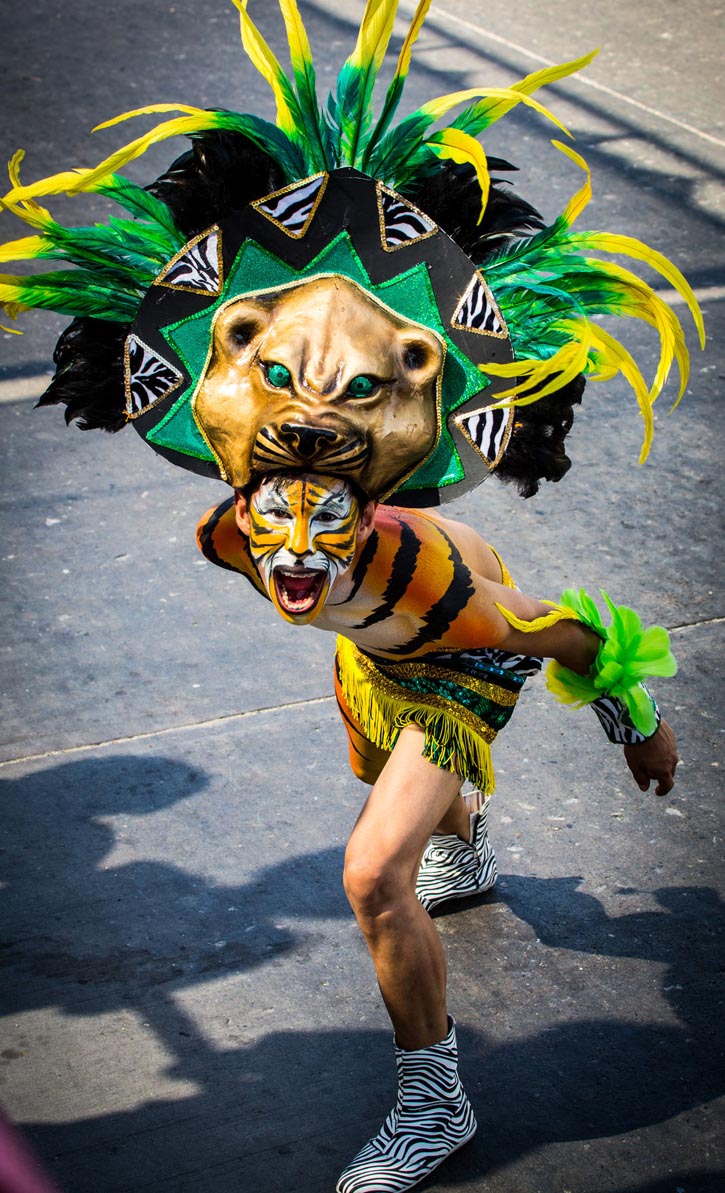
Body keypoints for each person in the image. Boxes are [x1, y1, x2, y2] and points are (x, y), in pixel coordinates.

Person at [197, 468, 678, 1192]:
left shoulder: (435, 587)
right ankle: (463, 847)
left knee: (373, 872)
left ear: (364, 518)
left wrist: (636, 722)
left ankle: (433, 1107)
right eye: (274, 520)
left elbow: (569, 634)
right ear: (242, 508)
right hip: (376, 656)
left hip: (464, 661)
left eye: (325, 519)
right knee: (384, 780)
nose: (295, 552)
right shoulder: (224, 537)